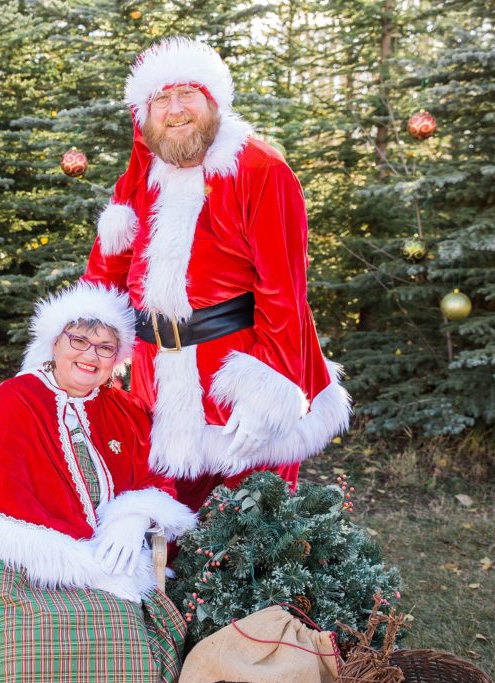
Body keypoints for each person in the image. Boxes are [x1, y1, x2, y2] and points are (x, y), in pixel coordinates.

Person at [82, 37, 353, 512]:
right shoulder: (142, 177)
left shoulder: (260, 170)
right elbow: (106, 274)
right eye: (161, 98)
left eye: (186, 92)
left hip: (236, 375)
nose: (175, 108)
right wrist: (82, 351)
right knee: (158, 526)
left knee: (250, 537)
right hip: (154, 382)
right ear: (145, 115)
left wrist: (268, 392)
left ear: (213, 101)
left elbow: (284, 294)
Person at [0, 282, 197, 683]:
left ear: (117, 359)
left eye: (104, 348)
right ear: (55, 343)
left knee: (115, 622)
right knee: (14, 638)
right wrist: (77, 557)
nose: (89, 355)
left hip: (102, 554)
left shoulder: (128, 411)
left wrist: (134, 515)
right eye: (79, 340)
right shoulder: (11, 400)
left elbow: (157, 475)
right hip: (0, 551)